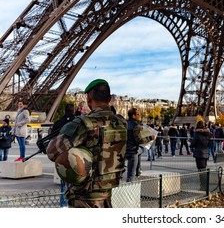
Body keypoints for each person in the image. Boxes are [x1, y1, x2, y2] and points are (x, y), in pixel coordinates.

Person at [46, 79, 128, 208]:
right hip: (107, 191)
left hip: (84, 195)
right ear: (109, 98)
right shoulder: (121, 122)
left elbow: (52, 152)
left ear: (89, 98)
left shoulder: (84, 124)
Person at [125, 108, 155, 182]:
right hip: (132, 151)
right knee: (131, 176)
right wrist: (150, 138)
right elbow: (139, 140)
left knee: (140, 151)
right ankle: (138, 171)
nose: (139, 116)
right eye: (138, 114)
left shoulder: (125, 124)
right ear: (133, 116)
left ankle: (138, 170)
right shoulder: (136, 126)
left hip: (124, 150)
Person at [190, 120, 211, 190]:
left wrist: (191, 145)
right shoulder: (208, 134)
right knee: (204, 170)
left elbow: (193, 143)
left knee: (201, 170)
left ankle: (203, 186)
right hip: (205, 153)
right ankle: (205, 185)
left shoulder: (197, 134)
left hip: (199, 153)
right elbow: (209, 143)